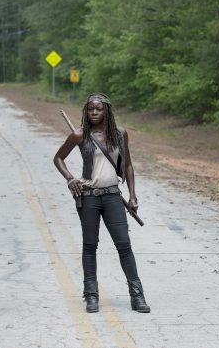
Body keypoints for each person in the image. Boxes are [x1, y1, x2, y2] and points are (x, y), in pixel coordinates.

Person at [53, 93, 150, 313]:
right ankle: (91, 295)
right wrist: (70, 179)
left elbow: (128, 166)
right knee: (90, 245)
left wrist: (132, 196)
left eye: (98, 109)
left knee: (124, 244)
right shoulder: (79, 135)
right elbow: (58, 158)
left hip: (113, 195)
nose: (94, 113)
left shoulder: (120, 133)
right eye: (90, 109)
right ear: (86, 111)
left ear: (107, 111)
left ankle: (137, 295)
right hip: (88, 196)